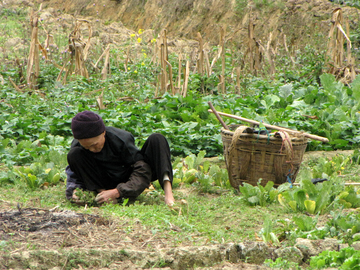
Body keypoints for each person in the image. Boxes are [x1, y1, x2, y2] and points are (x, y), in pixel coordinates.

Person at [65, 110, 175, 206]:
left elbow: (143, 170)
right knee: (73, 154)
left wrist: (118, 191)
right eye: (87, 147)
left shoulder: (121, 139)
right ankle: (103, 196)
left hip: (127, 178)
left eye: (94, 144)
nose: (92, 150)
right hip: (103, 180)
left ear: (103, 133)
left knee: (157, 139)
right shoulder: (77, 148)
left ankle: (169, 195)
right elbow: (74, 174)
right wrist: (75, 191)